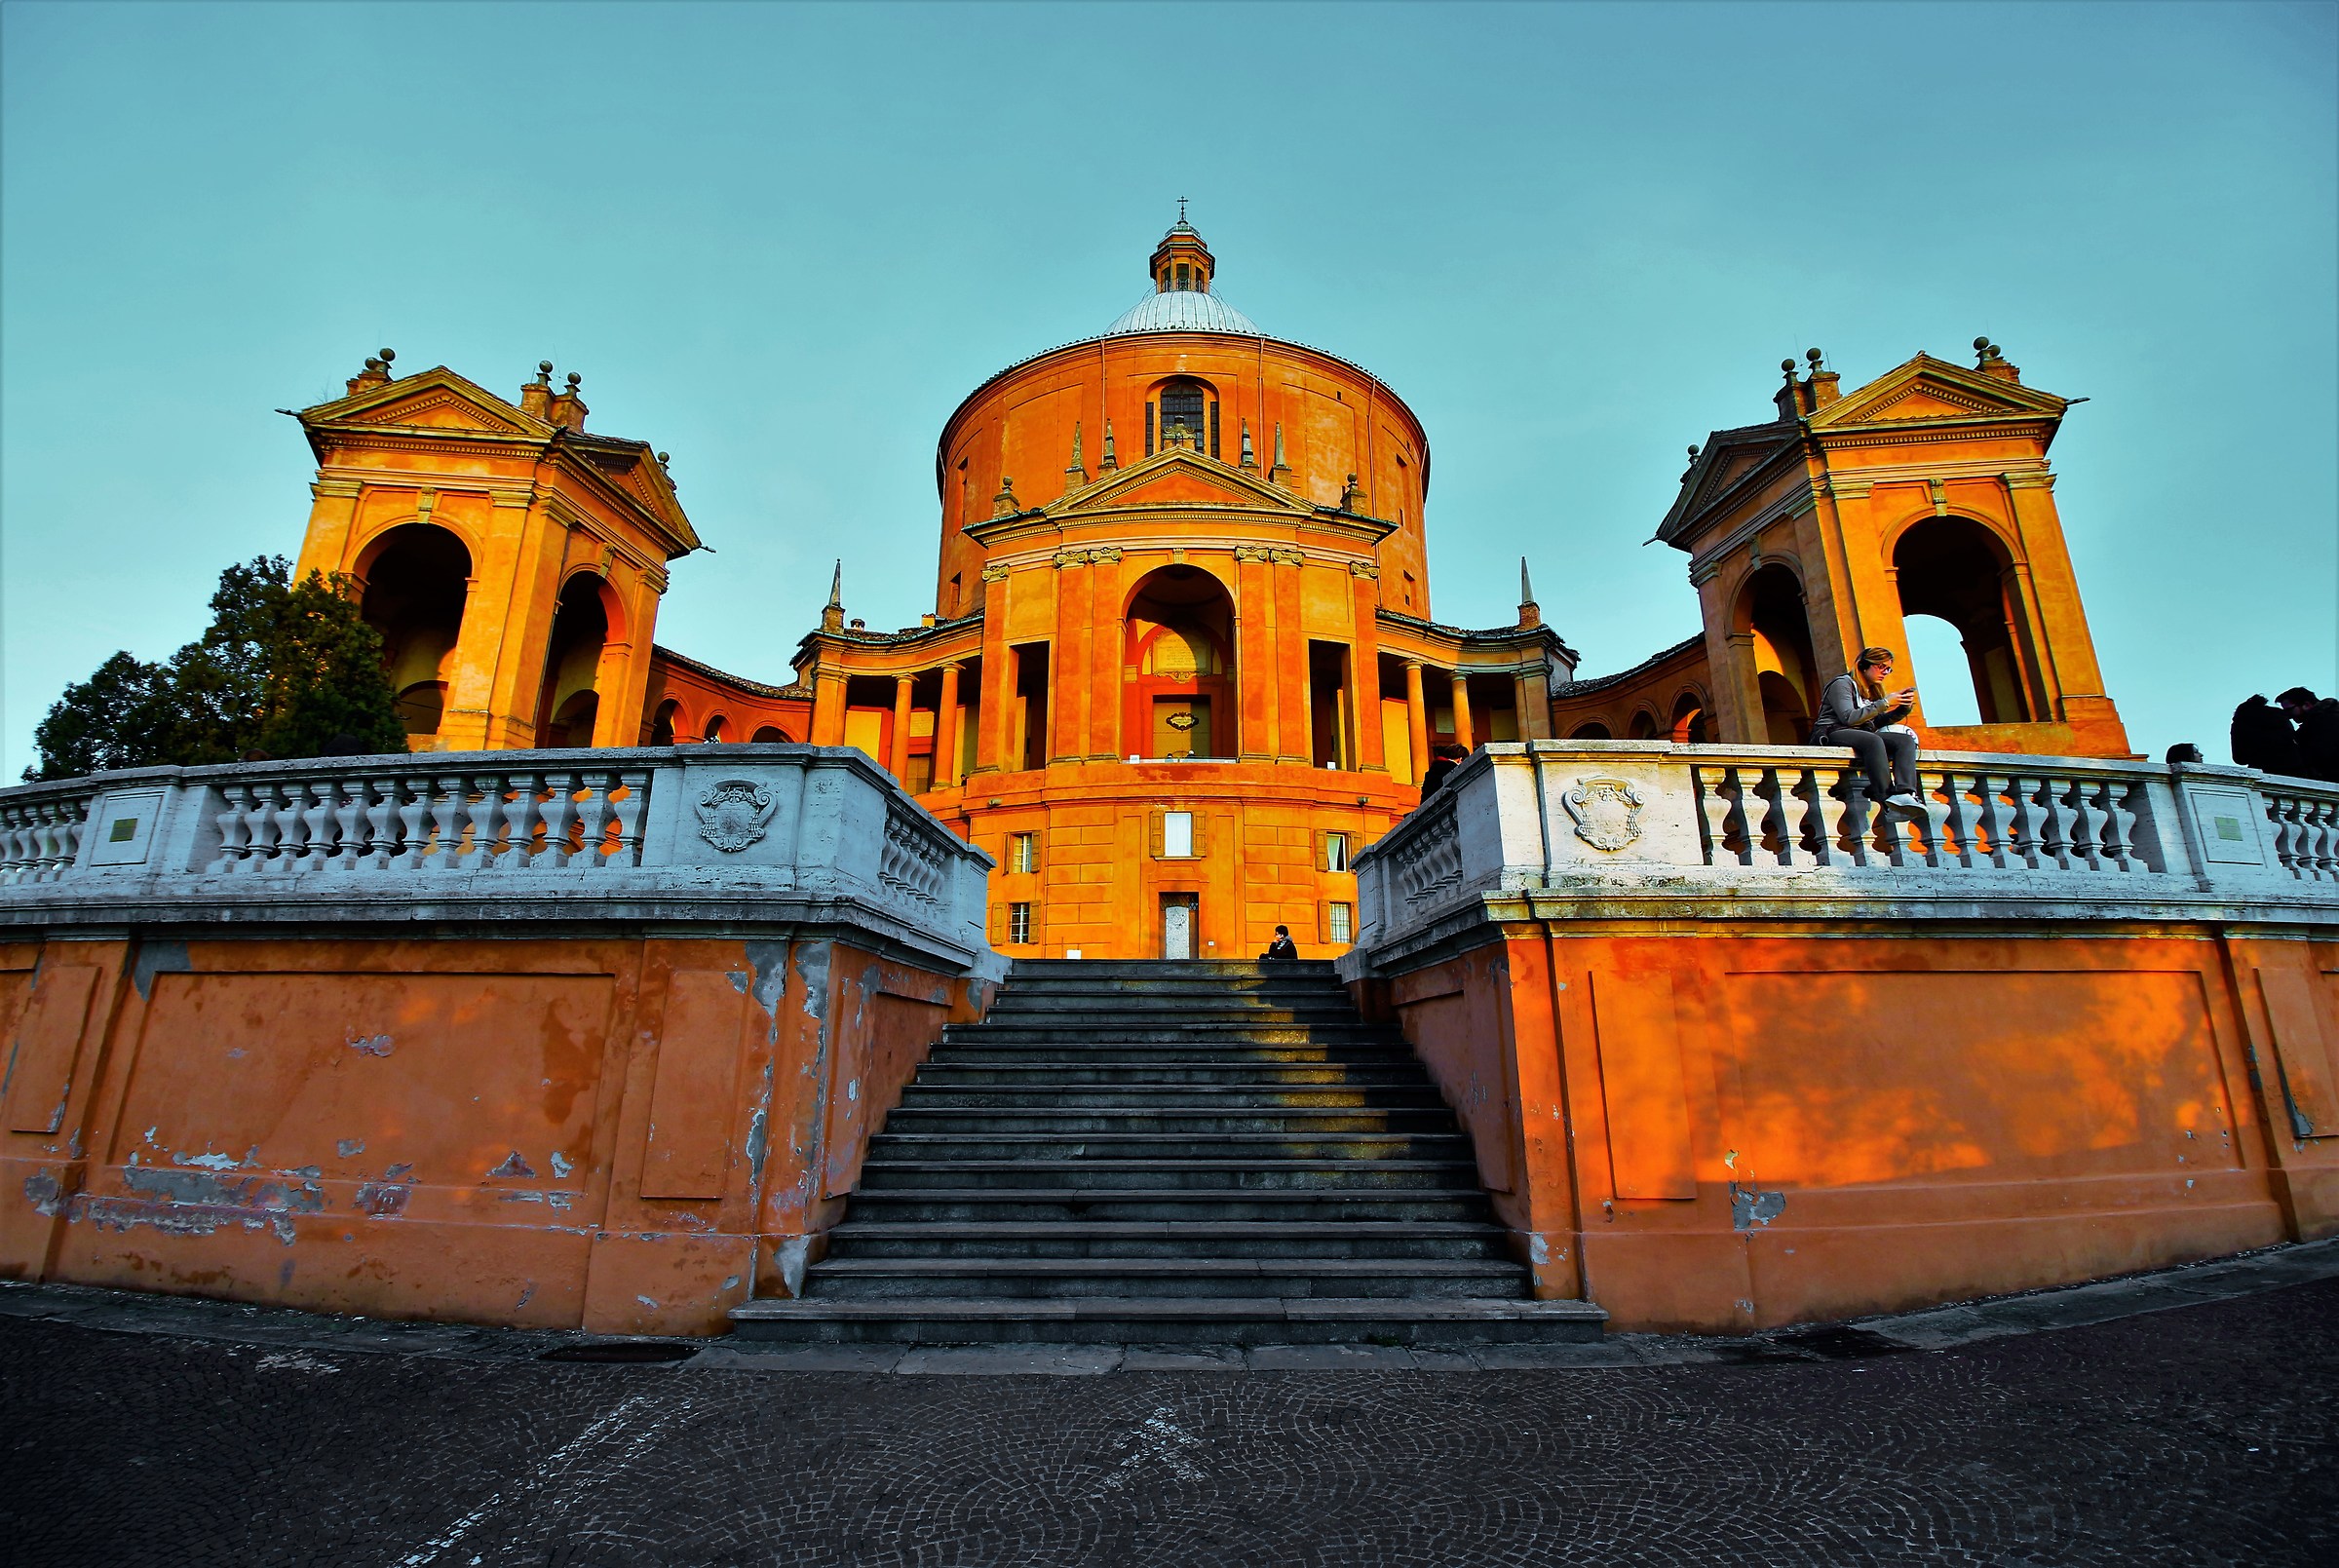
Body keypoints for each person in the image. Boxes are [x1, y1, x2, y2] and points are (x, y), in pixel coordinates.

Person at [1811, 646, 1927, 821]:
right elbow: (1849, 718)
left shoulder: (1872, 691)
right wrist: (1885, 702)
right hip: (1832, 732)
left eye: (1888, 668)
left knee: (1904, 741)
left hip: (1860, 733)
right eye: (1881, 667)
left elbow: (1874, 722)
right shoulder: (1842, 683)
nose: (1885, 672)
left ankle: (1904, 793)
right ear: (1864, 665)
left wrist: (1903, 709)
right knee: (1873, 741)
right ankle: (1886, 799)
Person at [2278, 687, 2339, 784]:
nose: (2289, 716)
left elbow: (2323, 754)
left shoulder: (2323, 722)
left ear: (2306, 705)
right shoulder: (2324, 719)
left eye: (2289, 710)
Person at [2230, 694, 2302, 777]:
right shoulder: (2279, 715)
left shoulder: (2239, 723)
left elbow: (2240, 758)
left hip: (2262, 771)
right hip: (2294, 767)